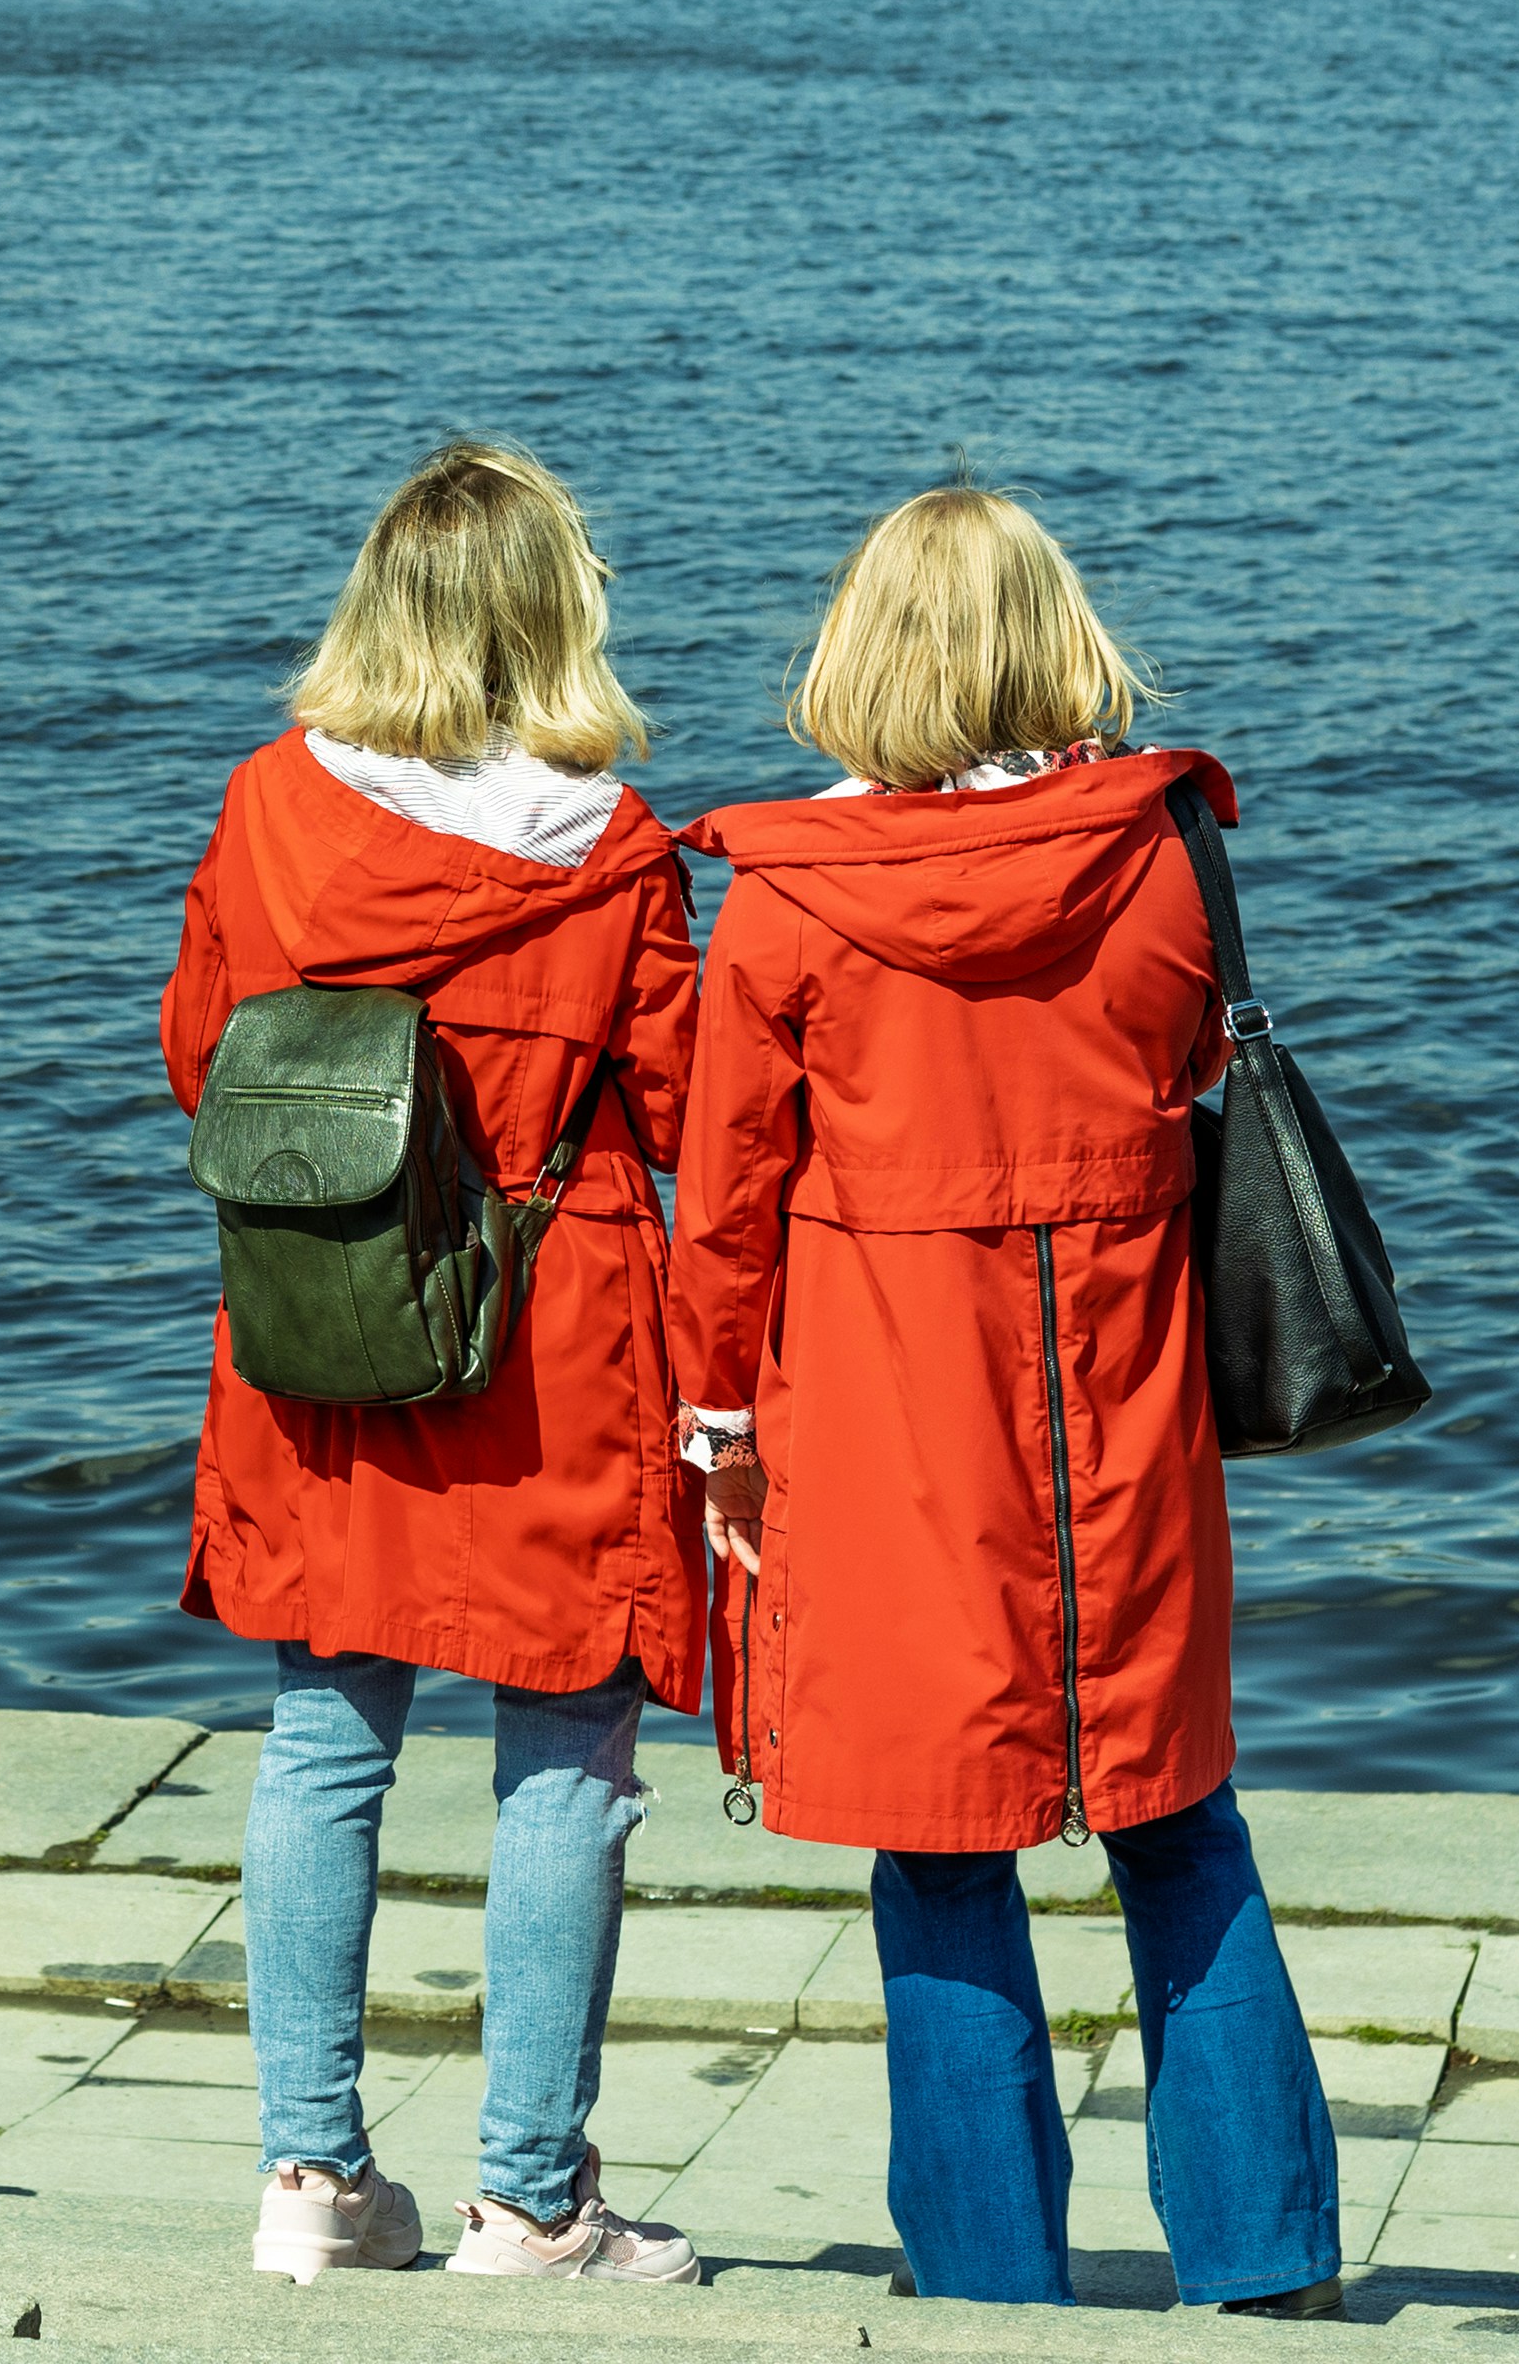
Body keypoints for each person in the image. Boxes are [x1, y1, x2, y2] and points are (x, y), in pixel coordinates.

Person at [670, 485, 1347, 2318]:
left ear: (862, 653)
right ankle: (1267, 2264)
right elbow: (1197, 1064)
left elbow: (723, 1206)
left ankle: (988, 2290)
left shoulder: (786, 900)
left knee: (941, 1847)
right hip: (1119, 1406)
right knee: (1177, 1816)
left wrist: (714, 1425)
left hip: (893, 1422)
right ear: (1060, 634)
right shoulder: (1162, 856)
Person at [164, 442, 707, 2287]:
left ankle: (311, 2181)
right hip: (549, 1347)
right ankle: (532, 2200)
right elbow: (686, 1106)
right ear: (559, 620)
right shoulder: (614, 848)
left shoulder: (266, 809)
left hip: (328, 1332)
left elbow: (202, 1063)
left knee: (326, 1738)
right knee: (566, 1752)